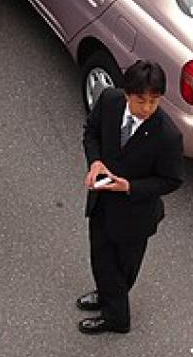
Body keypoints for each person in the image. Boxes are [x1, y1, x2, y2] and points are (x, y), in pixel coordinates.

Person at [76, 60, 184, 334]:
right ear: (126, 93)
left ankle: (116, 319)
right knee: (100, 257)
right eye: (140, 100)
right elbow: (91, 133)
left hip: (135, 216)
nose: (147, 108)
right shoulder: (110, 101)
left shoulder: (168, 135)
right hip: (102, 202)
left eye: (154, 101)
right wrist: (95, 162)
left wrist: (130, 187)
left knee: (123, 269)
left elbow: (171, 180)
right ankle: (106, 295)